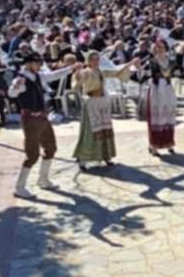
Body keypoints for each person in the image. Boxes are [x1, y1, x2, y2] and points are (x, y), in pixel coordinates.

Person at [11, 51, 74, 198]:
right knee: (32, 155)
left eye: (40, 63)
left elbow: (53, 75)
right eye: (37, 63)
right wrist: (15, 87)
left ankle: (43, 179)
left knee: (51, 148)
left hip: (42, 118)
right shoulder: (21, 79)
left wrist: (70, 68)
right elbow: (12, 94)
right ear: (28, 63)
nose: (39, 65)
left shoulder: (38, 76)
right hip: (30, 120)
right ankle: (19, 187)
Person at [73, 51, 134, 169]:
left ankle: (106, 155)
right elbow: (76, 85)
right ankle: (83, 159)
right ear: (88, 61)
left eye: (97, 59)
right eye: (93, 59)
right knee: (90, 132)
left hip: (102, 103)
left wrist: (130, 64)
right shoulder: (85, 72)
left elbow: (117, 72)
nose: (96, 61)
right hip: (91, 103)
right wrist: (77, 75)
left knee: (105, 130)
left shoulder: (102, 71)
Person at [142, 61, 179, 156]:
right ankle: (153, 146)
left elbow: (179, 72)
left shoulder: (170, 61)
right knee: (156, 120)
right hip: (155, 91)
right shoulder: (150, 62)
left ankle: (169, 143)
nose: (159, 52)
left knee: (168, 118)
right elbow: (142, 77)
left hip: (168, 89)